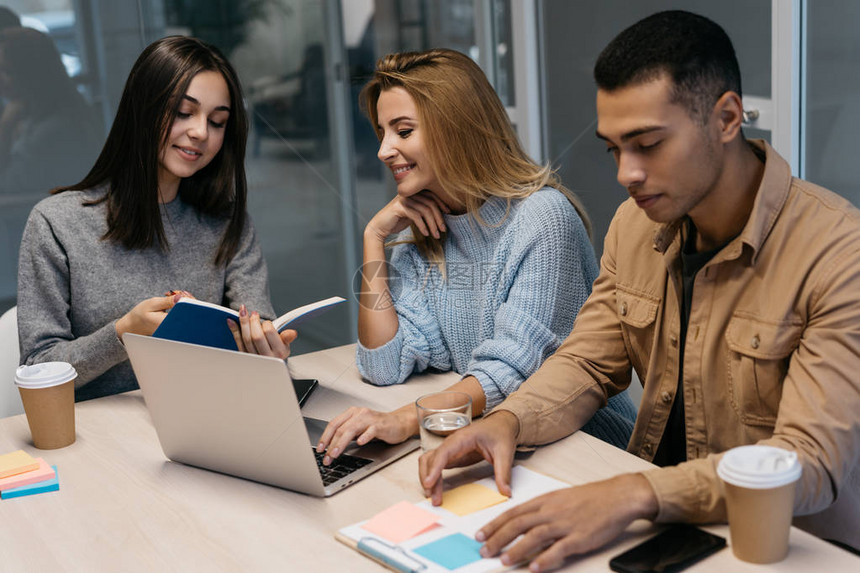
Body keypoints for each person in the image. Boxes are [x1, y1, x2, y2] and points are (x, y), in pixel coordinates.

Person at [419, 11, 860, 571]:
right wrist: (507, 422)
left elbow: (809, 462)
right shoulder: (636, 224)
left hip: (783, 549)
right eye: (612, 148)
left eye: (647, 144)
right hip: (656, 531)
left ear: (726, 118)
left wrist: (631, 494)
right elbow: (586, 362)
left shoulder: (840, 253)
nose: (626, 173)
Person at [317, 49, 637, 465]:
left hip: (583, 450)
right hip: (489, 435)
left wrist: (406, 419)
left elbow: (512, 372)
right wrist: (373, 236)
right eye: (382, 132)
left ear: (456, 129)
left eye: (403, 130)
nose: (383, 150)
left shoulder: (543, 218)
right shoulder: (426, 224)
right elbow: (383, 364)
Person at [17, 36, 294, 402]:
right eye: (183, 112)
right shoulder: (56, 224)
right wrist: (123, 332)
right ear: (142, 109)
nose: (201, 133)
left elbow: (258, 327)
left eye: (217, 121)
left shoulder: (228, 222)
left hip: (210, 420)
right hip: (100, 439)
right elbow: (39, 367)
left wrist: (267, 353)